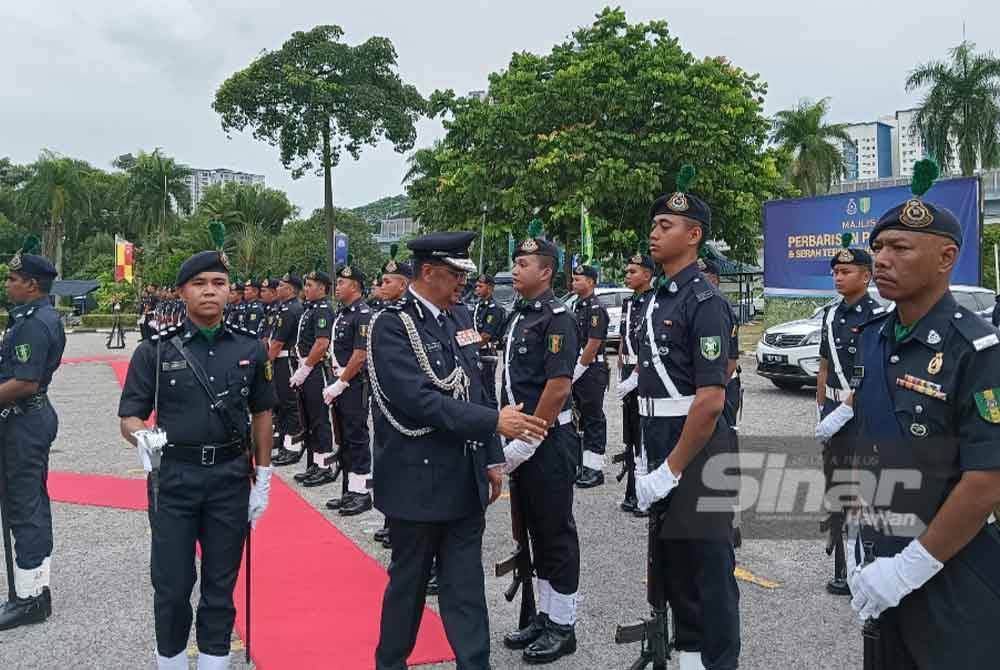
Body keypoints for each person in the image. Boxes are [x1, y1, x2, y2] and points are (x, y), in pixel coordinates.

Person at [369, 231, 547, 670]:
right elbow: (417, 400)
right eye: (454, 275)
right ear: (427, 273)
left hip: (463, 477)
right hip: (415, 481)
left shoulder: (459, 317)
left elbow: (478, 389)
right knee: (407, 590)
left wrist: (491, 457)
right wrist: (493, 424)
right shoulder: (391, 325)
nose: (462, 284)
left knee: (466, 590)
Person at [847, 160, 1000, 667]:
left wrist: (911, 567)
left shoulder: (976, 350)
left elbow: (987, 480)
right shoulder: (872, 337)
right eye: (878, 248)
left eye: (900, 248)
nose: (882, 259)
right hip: (882, 558)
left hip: (954, 569)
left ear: (946, 258)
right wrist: (857, 537)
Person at [118, 241, 276, 670]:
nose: (210, 291)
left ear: (229, 290)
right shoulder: (156, 350)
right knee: (171, 585)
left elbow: (263, 412)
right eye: (199, 283)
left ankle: (213, 662)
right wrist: (143, 437)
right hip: (175, 480)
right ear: (182, 292)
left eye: (219, 283)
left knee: (221, 586)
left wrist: (263, 476)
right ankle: (169, 662)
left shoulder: (250, 348)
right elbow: (129, 416)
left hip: (228, 477)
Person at [634, 165, 740, 670]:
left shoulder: (705, 301)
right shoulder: (658, 298)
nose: (654, 234)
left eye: (665, 226)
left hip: (697, 448)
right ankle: (690, 659)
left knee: (709, 570)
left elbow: (710, 399)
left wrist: (671, 468)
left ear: (694, 235)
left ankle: (718, 662)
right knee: (674, 566)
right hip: (660, 437)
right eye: (653, 225)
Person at [500, 228, 581, 664]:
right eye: (515, 263)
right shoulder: (521, 313)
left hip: (546, 442)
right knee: (532, 530)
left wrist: (528, 440)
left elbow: (557, 387)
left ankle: (564, 625)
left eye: (524, 264)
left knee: (555, 533)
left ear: (546, 272)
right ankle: (545, 616)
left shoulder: (556, 317)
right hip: (522, 439)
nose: (515, 270)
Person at [812, 236, 883, 595]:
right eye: (835, 272)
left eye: (845, 271)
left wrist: (845, 411)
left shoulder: (878, 318)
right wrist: (821, 410)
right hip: (833, 416)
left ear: (866, 276)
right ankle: (842, 565)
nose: (838, 278)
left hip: (861, 417)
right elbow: (824, 368)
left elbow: (875, 373)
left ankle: (862, 564)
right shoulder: (830, 315)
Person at [0, 239, 65, 631]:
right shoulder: (28, 317)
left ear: (32, 285)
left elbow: (25, 382)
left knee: (25, 505)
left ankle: (30, 598)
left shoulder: (36, 323)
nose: (7, 284)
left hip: (24, 419)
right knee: (26, 502)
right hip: (21, 418)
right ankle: (33, 587)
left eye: (13, 278)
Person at [322, 259, 374, 516]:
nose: (337, 287)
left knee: (357, 437)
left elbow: (360, 354)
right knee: (343, 438)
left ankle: (361, 493)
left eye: (341, 283)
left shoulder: (363, 314)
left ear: (355, 286)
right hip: (340, 382)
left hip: (353, 384)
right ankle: (348, 491)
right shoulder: (343, 314)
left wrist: (341, 383)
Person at [369, 253, 413, 550]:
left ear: (404, 284)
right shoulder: (384, 314)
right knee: (386, 459)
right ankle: (392, 521)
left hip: (408, 407)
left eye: (387, 281)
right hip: (383, 401)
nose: (381, 286)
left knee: (407, 465)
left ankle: (402, 523)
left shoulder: (411, 317)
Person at [614, 252, 655, 515]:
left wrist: (636, 376)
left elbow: (649, 344)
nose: (627, 275)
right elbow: (623, 338)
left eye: (632, 271)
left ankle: (646, 494)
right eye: (627, 271)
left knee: (644, 435)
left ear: (648, 274)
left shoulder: (655, 301)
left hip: (645, 375)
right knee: (629, 435)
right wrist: (621, 370)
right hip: (628, 370)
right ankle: (632, 491)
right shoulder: (630, 303)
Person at [288, 270, 338, 487]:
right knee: (308, 419)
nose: (305, 289)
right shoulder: (311, 308)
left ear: (322, 289)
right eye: (306, 284)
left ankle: (325, 466)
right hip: (307, 367)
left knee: (319, 420)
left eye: (310, 285)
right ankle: (314, 464)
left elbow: (322, 343)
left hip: (316, 370)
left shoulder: (324, 309)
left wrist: (305, 368)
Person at [570, 262, 609, 488]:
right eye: (574, 279)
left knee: (593, 417)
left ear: (591, 282)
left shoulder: (595, 308)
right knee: (579, 418)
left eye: (579, 279)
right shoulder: (578, 306)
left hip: (591, 369)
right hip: (579, 367)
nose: (574, 282)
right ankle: (580, 463)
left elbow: (593, 344)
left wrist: (578, 370)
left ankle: (594, 468)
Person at [270, 272, 306, 466]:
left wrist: (265, 364)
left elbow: (277, 343)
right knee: (282, 404)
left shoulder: (291, 310)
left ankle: (292, 447)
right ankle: (285, 445)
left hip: (286, 360)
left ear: (291, 290)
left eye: (282, 286)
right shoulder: (284, 308)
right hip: (281, 360)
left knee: (289, 404)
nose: (278, 288)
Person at [472, 273, 507, 409]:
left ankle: (494, 425)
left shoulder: (495, 309)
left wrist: (469, 348)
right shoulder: (479, 306)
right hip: (477, 352)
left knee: (488, 391)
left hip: (486, 352)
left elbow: (485, 335)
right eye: (476, 286)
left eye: (480, 286)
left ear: (490, 288)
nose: (477, 288)